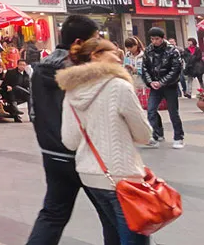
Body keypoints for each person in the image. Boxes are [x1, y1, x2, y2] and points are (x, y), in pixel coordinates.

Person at [27, 14, 119, 245]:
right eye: (95, 40)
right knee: (113, 218)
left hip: (52, 153)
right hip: (86, 154)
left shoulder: (39, 70)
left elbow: (33, 112)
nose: (98, 45)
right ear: (79, 41)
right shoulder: (84, 70)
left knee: (52, 215)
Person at [57, 38, 153, 245]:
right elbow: (144, 135)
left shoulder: (71, 90)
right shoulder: (119, 86)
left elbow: (70, 141)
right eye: (113, 52)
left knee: (112, 233)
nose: (119, 56)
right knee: (134, 238)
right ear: (95, 55)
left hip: (90, 175)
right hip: (122, 176)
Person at [142, 27, 184, 149]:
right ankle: (156, 135)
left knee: (173, 112)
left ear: (162, 38)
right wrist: (151, 82)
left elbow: (176, 70)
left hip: (170, 86)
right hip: (155, 86)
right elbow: (145, 68)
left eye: (157, 39)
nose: (154, 41)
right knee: (151, 110)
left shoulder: (172, 51)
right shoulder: (148, 50)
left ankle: (178, 137)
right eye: (152, 39)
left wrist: (162, 82)